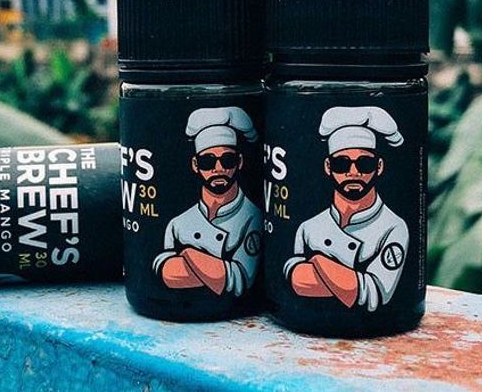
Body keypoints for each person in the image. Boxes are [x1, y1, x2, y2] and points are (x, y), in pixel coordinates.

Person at [284, 106, 410, 311]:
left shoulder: (394, 227)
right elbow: (297, 281)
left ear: (379, 166)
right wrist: (351, 280)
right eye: (341, 164)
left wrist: (318, 260)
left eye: (364, 163)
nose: (353, 172)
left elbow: (376, 293)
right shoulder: (308, 228)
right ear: (328, 167)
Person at [152, 107, 263, 296]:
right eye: (207, 162)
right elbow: (167, 274)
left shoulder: (253, 217)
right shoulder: (177, 224)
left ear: (239, 162)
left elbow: (241, 278)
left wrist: (188, 253)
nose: (218, 168)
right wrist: (215, 270)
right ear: (195, 165)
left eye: (227, 160)